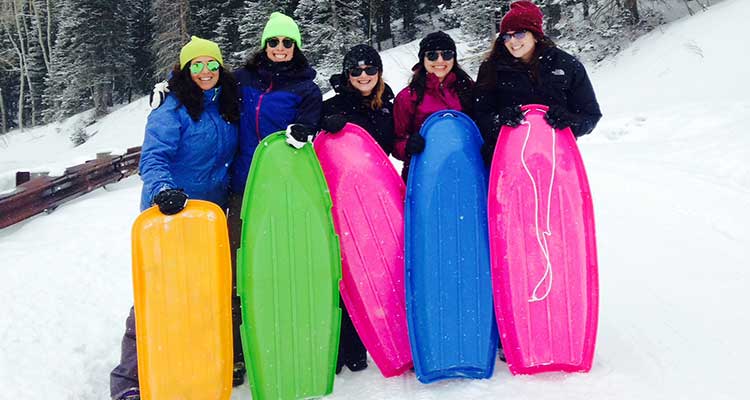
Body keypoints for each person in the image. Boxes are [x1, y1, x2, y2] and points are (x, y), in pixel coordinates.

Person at [110, 36, 240, 400]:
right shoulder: (171, 109)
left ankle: (193, 364)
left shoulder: (226, 103)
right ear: (184, 69)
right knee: (157, 295)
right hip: (169, 212)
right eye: (195, 64)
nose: (204, 71)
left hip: (209, 217)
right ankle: (130, 380)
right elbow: (153, 158)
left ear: (220, 66)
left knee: (204, 292)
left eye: (211, 63)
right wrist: (164, 190)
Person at [318, 44, 396, 373]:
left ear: (378, 72)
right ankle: (344, 343)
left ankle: (377, 332)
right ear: (347, 75)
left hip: (377, 199)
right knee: (345, 268)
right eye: (356, 70)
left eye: (369, 69)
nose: (363, 76)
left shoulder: (387, 107)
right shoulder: (333, 105)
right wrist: (324, 124)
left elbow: (396, 144)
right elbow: (310, 137)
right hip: (341, 200)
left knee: (376, 264)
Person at [474, 0, 602, 165]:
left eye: (519, 34)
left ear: (535, 35)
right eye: (507, 36)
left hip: (555, 159)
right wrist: (499, 121)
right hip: (506, 160)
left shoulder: (566, 65)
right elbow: (480, 115)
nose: (512, 41)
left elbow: (590, 115)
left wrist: (570, 121)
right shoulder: (491, 68)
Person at [392, 31, 475, 181]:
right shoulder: (408, 97)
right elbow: (396, 142)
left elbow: (481, 125)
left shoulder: (469, 89)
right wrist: (408, 146)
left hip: (466, 170)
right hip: (425, 176)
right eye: (432, 55)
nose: (440, 60)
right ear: (423, 59)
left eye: (447, 54)